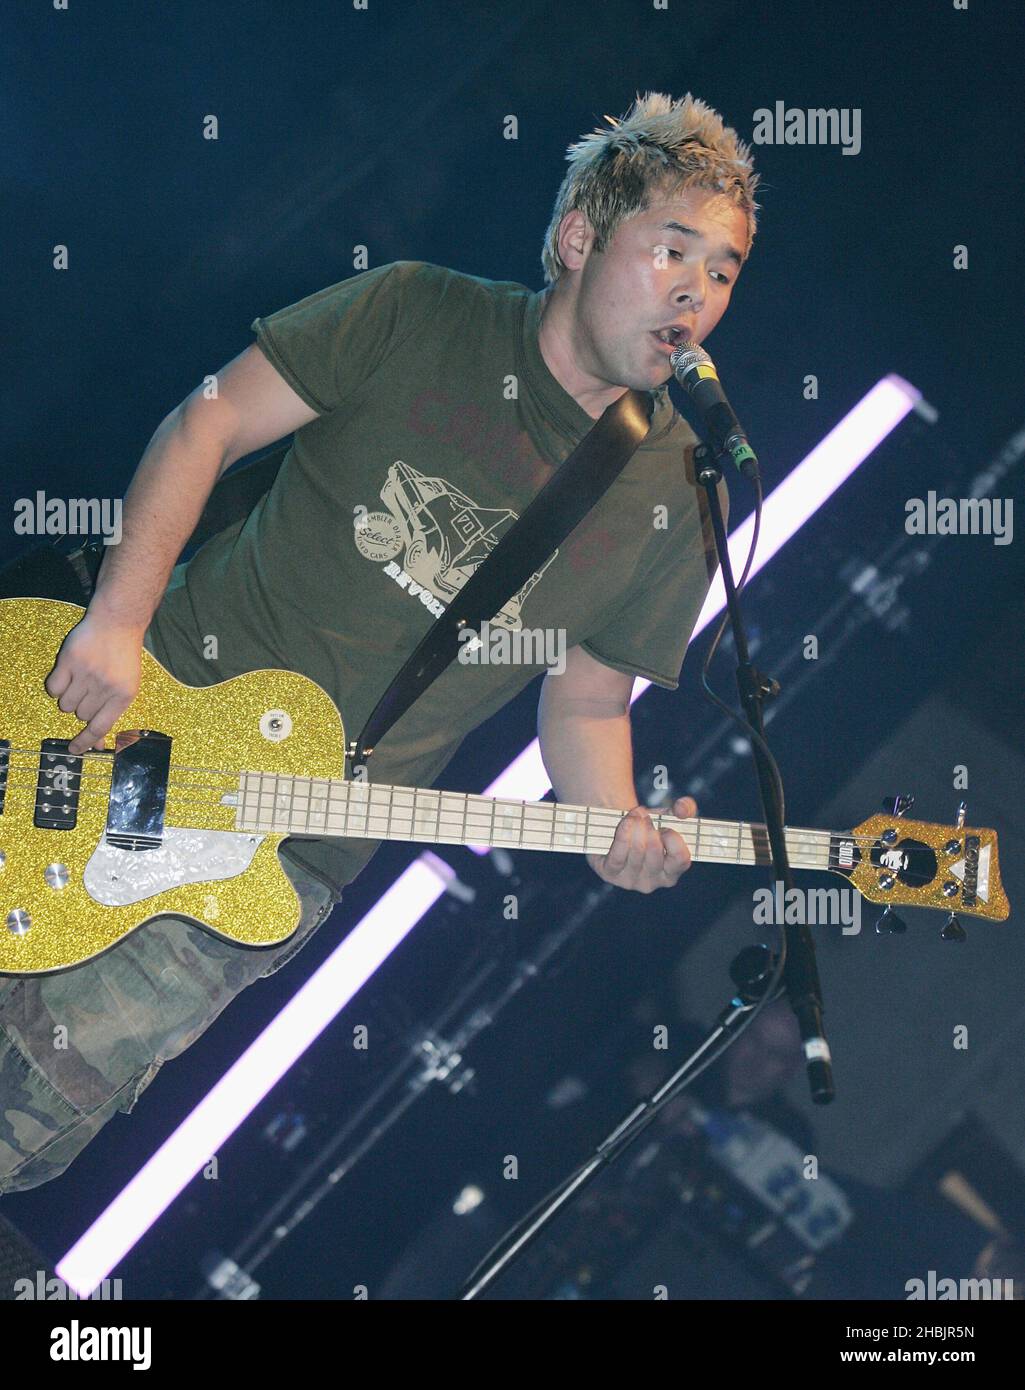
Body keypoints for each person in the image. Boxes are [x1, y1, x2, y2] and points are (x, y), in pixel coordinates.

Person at [0, 92, 760, 1192]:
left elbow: (585, 704)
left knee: (20, 1117)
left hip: (267, 858)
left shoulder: (673, 492)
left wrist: (614, 830)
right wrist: (114, 623)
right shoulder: (416, 311)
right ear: (578, 239)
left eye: (724, 268)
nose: (697, 287)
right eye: (672, 247)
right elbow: (207, 420)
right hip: (119, 717)